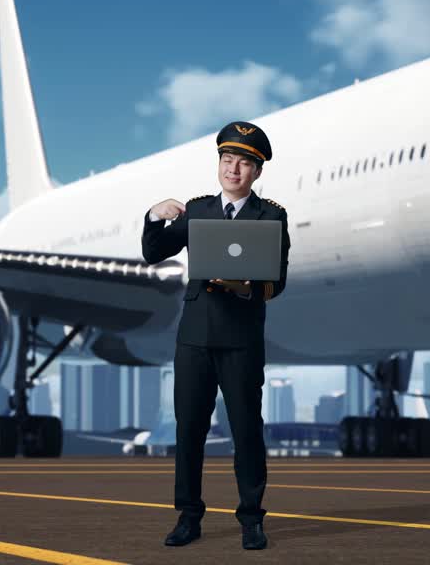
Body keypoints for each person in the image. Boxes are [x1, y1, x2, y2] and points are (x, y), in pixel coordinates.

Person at [141, 120, 291, 551]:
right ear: (219, 164)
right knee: (189, 430)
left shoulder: (272, 216)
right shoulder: (198, 211)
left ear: (257, 172)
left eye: (244, 163)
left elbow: (277, 281)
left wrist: (247, 288)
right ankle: (188, 517)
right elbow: (154, 253)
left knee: (247, 431)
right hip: (194, 338)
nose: (234, 169)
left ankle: (251, 520)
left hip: (242, 337)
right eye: (228, 160)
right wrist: (154, 215)